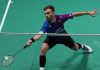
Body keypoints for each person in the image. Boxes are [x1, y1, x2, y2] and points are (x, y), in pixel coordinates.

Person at [24, 5, 96, 70]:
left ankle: (83, 46)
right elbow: (39, 34)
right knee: (43, 49)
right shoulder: (46, 24)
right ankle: (42, 69)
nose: (46, 15)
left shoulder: (61, 18)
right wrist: (32, 40)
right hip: (51, 39)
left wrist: (88, 12)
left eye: (48, 13)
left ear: (53, 12)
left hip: (64, 37)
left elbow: (74, 14)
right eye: (45, 14)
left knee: (75, 48)